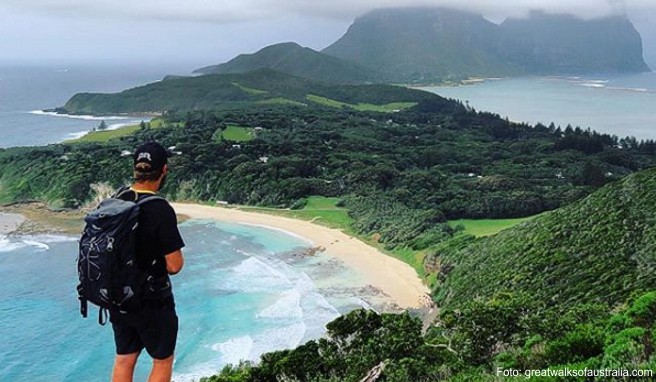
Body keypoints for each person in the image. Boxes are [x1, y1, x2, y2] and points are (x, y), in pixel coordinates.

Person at [110, 141, 185, 382]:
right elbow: (174, 265)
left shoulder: (118, 199)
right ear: (164, 171)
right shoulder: (159, 208)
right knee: (162, 360)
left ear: (135, 169)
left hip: (118, 296)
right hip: (151, 300)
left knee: (124, 357)